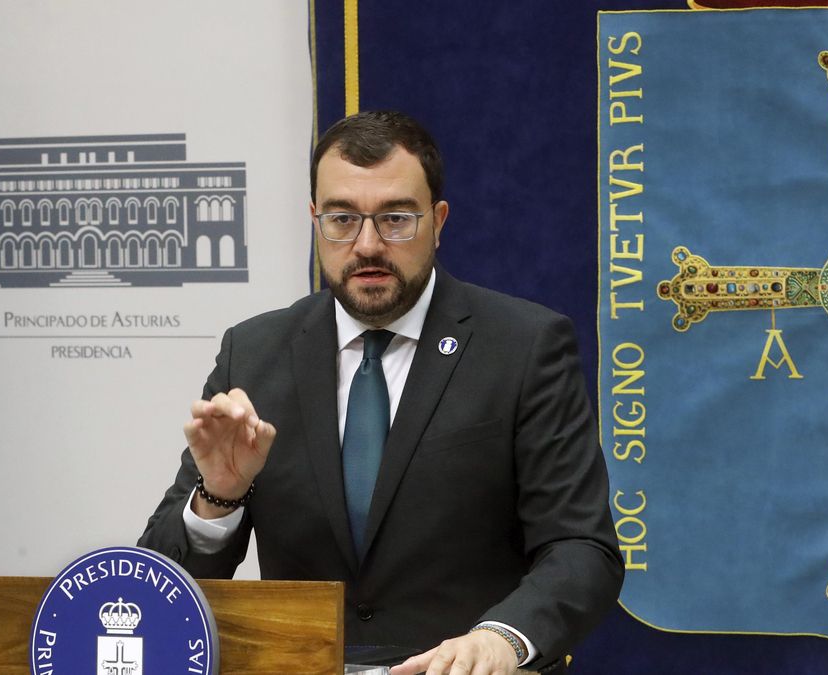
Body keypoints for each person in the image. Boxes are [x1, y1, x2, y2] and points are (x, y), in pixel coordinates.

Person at [139, 111, 623, 675]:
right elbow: (163, 587)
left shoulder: (524, 346)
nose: (367, 245)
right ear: (315, 220)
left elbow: (582, 549)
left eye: (396, 219)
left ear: (438, 221)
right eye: (342, 219)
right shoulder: (253, 353)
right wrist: (218, 497)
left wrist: (501, 640)